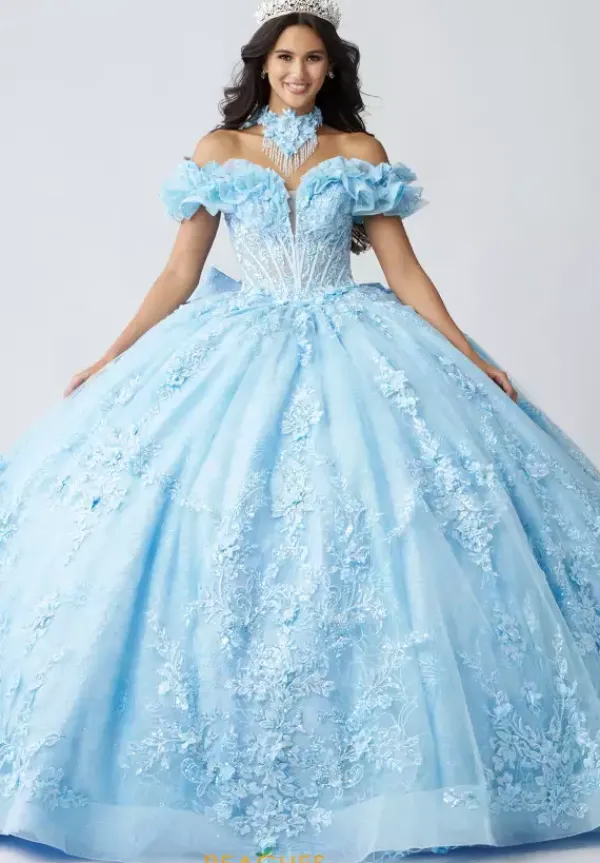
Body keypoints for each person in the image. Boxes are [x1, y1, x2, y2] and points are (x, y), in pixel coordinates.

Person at [1, 1, 600, 861]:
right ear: (261, 65)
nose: (296, 72)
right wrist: (112, 354)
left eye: (313, 59)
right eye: (283, 57)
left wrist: (467, 353)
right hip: (237, 344)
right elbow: (179, 272)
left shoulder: (359, 153)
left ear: (332, 68)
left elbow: (404, 271)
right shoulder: (220, 150)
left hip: (352, 339)